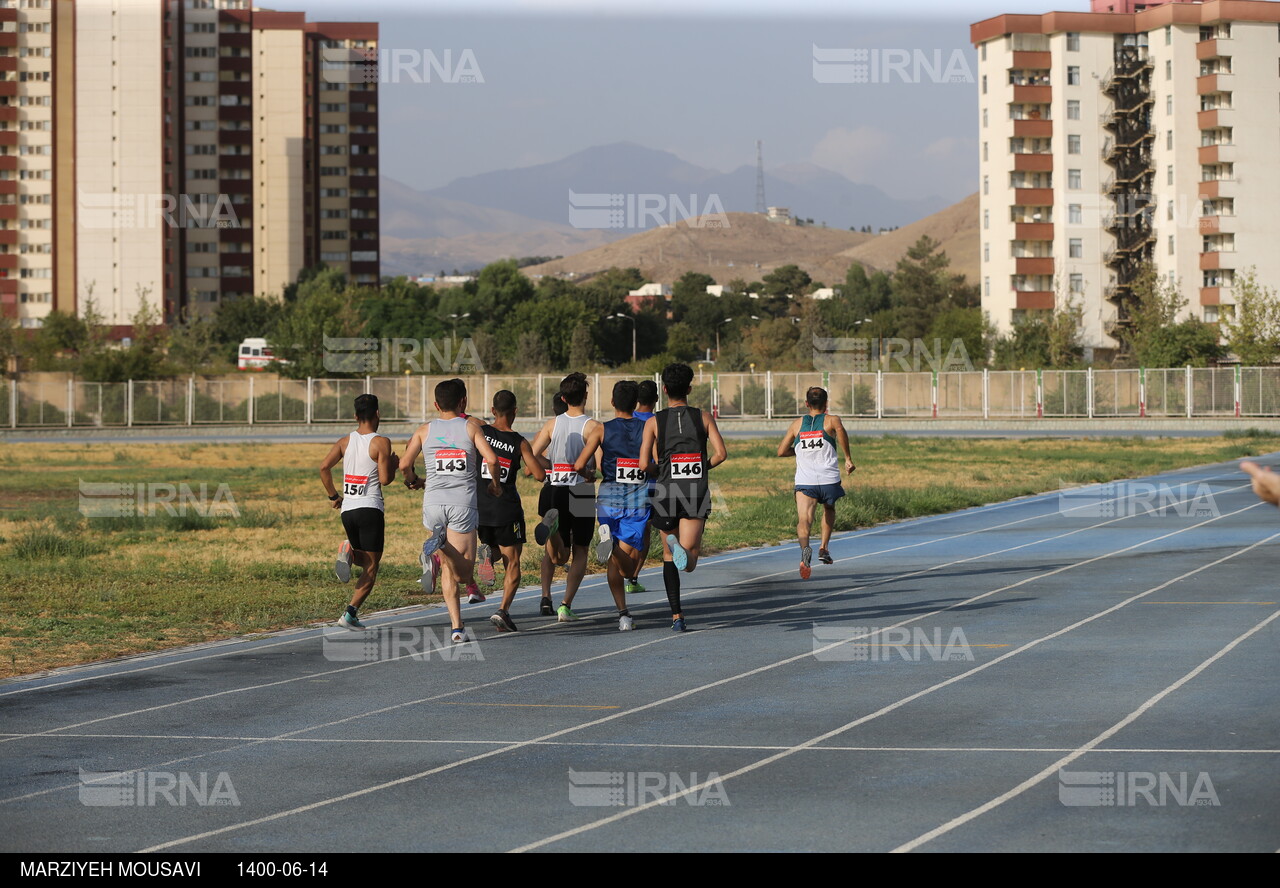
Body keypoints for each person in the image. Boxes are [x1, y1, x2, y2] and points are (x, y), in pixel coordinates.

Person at [399, 378, 502, 644]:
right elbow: (492, 459)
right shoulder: (470, 427)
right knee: (464, 572)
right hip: (462, 504)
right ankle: (440, 549)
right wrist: (495, 484)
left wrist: (413, 481)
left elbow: (404, 464)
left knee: (448, 568)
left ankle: (457, 628)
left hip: (433, 504)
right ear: (463, 402)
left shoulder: (424, 430)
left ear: (436, 404)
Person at [639, 363, 728, 632]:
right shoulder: (703, 417)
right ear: (689, 388)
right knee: (689, 561)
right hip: (694, 491)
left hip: (666, 491)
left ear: (664, 389)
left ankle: (677, 616)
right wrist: (702, 467)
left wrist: (660, 470)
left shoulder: (654, 421)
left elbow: (644, 464)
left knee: (668, 556)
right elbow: (721, 453)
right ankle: (682, 551)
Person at [569, 380, 645, 630]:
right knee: (629, 567)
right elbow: (654, 463)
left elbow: (579, 465)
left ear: (612, 402)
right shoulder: (648, 428)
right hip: (638, 498)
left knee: (616, 562)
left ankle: (624, 614)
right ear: (636, 404)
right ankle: (623, 615)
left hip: (609, 496)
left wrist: (590, 475)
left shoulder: (601, 429)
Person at [319, 393, 397, 630]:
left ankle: (349, 554)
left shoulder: (345, 441)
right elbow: (385, 480)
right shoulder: (381, 442)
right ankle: (350, 614)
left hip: (349, 510)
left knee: (366, 562)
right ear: (377, 414)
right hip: (370, 508)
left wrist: (334, 496)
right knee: (372, 568)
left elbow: (324, 467)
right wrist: (393, 465)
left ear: (355, 416)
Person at [475, 390, 547, 633]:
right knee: (513, 562)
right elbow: (538, 475)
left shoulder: (480, 432)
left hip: (481, 509)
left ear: (493, 411)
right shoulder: (519, 442)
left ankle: (487, 556)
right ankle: (502, 611)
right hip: (507, 509)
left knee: (494, 549)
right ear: (515, 411)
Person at [530, 372, 597, 622]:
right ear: (585, 396)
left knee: (558, 556)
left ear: (563, 397)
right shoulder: (592, 426)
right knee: (581, 550)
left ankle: (555, 530)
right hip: (581, 489)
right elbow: (592, 464)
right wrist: (589, 473)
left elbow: (531, 453)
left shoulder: (552, 424)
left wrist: (552, 465)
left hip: (555, 486)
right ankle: (565, 604)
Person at [776, 386, 856, 579]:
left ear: (806, 404)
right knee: (829, 509)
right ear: (826, 404)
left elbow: (780, 451)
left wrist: (800, 451)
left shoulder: (797, 424)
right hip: (828, 478)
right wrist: (847, 458)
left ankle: (805, 550)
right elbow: (841, 432)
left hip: (806, 480)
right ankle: (823, 548)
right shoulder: (832, 420)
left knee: (804, 519)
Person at [624, 379, 660, 595]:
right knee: (646, 532)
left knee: (629, 527)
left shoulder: (628, 419)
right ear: (656, 399)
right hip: (652, 482)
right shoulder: (657, 422)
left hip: (627, 483)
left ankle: (623, 568)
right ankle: (633, 577)